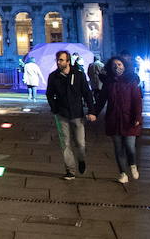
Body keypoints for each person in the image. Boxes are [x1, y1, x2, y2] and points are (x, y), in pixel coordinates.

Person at [46, 49, 98, 180]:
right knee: (65, 144)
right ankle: (70, 170)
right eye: (58, 60)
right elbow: (49, 94)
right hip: (61, 114)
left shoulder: (79, 75)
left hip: (77, 114)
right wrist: (54, 108)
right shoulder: (53, 76)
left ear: (68, 61)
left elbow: (87, 93)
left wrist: (91, 111)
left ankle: (81, 159)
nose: (59, 62)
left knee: (80, 144)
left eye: (62, 60)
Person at [96, 56, 143, 184]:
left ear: (125, 66)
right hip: (114, 119)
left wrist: (137, 117)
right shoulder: (109, 82)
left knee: (129, 146)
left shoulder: (132, 80)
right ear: (110, 68)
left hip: (129, 119)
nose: (117, 67)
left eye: (119, 64)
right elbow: (101, 100)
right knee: (118, 148)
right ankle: (122, 173)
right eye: (114, 65)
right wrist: (94, 113)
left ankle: (132, 164)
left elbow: (137, 100)